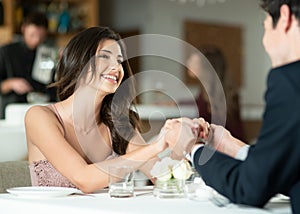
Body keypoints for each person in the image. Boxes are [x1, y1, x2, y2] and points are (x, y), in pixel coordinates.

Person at [24, 26, 208, 193]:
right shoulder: (40, 117)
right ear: (80, 61)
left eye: (119, 61)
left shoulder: (118, 124)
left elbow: (162, 178)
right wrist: (156, 145)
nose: (116, 67)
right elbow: (84, 179)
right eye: (104, 56)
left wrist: (183, 142)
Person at [168, 0, 300, 213]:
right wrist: (231, 145)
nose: (265, 42)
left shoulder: (289, 82)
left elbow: (249, 188)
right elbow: (286, 172)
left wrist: (192, 147)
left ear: (284, 17)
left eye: (265, 28)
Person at [0, 12, 56, 119]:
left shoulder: (49, 54)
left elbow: (54, 86)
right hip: (12, 111)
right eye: (32, 35)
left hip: (41, 110)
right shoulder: (6, 52)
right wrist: (11, 83)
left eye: (41, 36)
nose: (36, 40)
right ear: (24, 29)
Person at [186, 46, 245, 142]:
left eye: (193, 62)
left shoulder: (214, 95)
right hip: (228, 147)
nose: (188, 63)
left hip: (229, 150)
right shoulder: (209, 91)